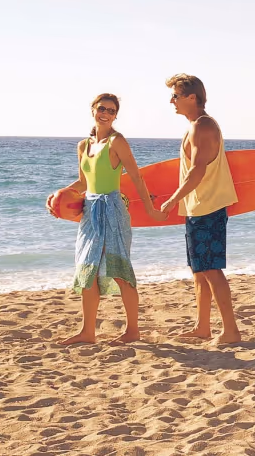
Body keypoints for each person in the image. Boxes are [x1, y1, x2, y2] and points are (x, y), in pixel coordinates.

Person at [47, 93, 163, 346]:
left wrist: (150, 209)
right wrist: (58, 197)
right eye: (102, 108)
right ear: (92, 109)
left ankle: (133, 330)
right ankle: (88, 332)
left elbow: (136, 176)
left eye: (111, 111)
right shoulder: (83, 146)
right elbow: (83, 182)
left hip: (112, 209)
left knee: (119, 270)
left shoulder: (117, 142)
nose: (106, 114)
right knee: (87, 268)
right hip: (90, 211)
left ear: (115, 115)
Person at [156, 73, 242, 345]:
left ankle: (231, 331)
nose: (172, 101)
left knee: (212, 270)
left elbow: (197, 171)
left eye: (176, 96)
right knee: (199, 271)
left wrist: (171, 200)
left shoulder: (202, 127)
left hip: (207, 207)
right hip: (197, 208)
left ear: (191, 97)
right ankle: (203, 326)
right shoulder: (196, 125)